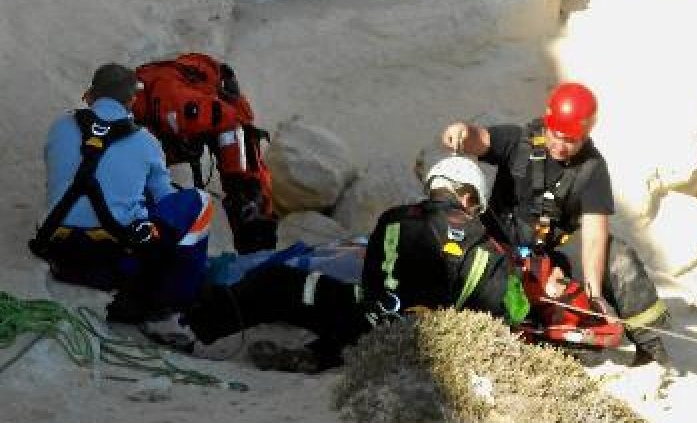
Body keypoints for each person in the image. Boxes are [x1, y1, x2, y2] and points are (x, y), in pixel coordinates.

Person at [182, 155, 531, 373]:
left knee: (280, 281)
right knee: (369, 316)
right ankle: (319, 355)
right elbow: (506, 315)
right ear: (470, 197)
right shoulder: (490, 248)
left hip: (371, 320)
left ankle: (193, 329)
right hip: (435, 345)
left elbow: (373, 277)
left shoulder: (397, 218)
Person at [440, 82, 673, 366]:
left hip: (551, 254)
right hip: (496, 244)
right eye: (556, 136)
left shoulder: (593, 169)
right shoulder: (518, 141)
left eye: (572, 141)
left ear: (586, 135)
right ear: (547, 121)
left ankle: (648, 344)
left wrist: (594, 295)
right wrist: (461, 132)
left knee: (619, 258)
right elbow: (480, 139)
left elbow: (593, 235)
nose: (561, 146)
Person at [29, 63, 215, 326]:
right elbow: (165, 199)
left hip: (59, 249)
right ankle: (174, 304)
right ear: (131, 100)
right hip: (113, 261)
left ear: (91, 95)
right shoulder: (146, 141)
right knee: (199, 202)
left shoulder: (60, 126)